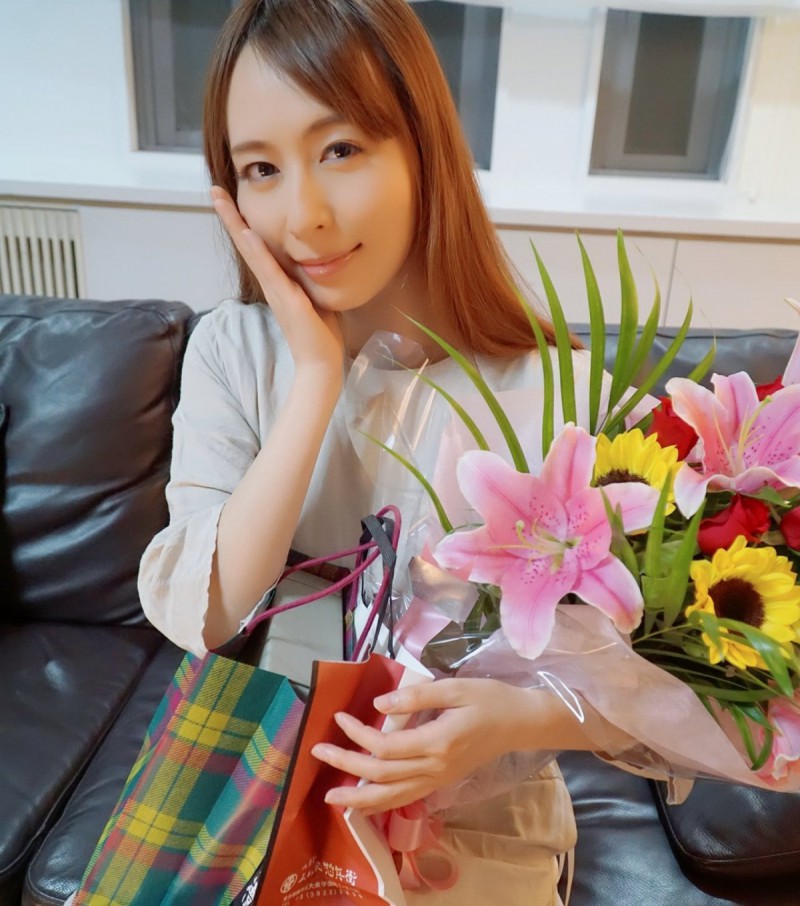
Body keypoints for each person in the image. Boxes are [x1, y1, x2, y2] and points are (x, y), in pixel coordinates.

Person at [138, 0, 599, 901]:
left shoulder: (555, 390)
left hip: (477, 825)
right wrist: (316, 376)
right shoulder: (234, 352)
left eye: (340, 149)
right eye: (261, 169)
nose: (303, 216)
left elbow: (662, 681)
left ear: (423, 148)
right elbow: (213, 609)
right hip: (265, 797)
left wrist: (509, 722)